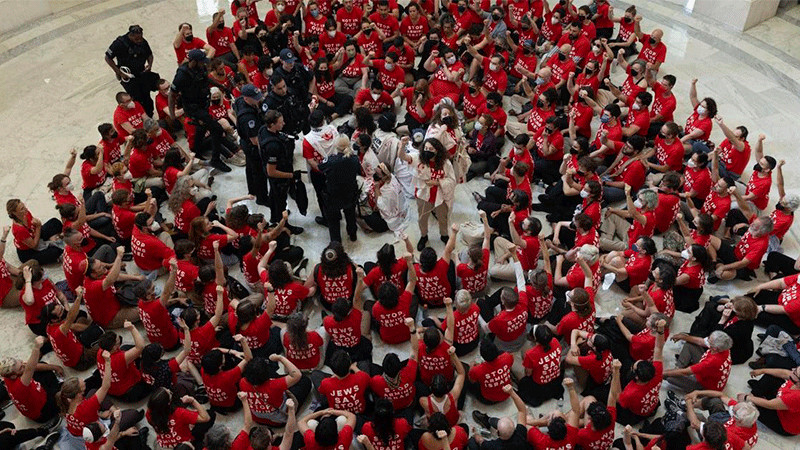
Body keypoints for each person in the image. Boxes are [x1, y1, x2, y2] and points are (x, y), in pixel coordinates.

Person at [170, 49, 233, 172]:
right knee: (217, 129)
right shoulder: (182, 75)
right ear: (193, 61)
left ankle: (195, 152)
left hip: (203, 103)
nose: (204, 64)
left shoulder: (201, 67)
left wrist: (221, 86)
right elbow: (172, 95)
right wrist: (173, 116)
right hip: (193, 108)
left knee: (201, 128)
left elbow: (206, 79)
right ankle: (215, 159)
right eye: (201, 62)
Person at [259, 110, 304, 234]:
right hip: (279, 176)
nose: (284, 123)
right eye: (280, 122)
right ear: (272, 124)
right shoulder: (272, 146)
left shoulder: (263, 130)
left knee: (273, 196)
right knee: (280, 201)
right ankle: (283, 225)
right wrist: (291, 175)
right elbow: (272, 172)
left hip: (272, 168)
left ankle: (274, 216)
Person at [0, 336, 62, 423]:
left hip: (33, 399)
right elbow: (30, 368)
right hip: (43, 413)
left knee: (43, 367)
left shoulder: (8, 376)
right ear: (14, 376)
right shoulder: (19, 386)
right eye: (21, 367)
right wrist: (36, 348)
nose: (23, 364)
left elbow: (30, 366)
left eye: (20, 362)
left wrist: (55, 367)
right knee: (67, 392)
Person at [240, 355, 312, 426]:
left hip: (257, 418)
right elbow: (297, 374)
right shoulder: (274, 385)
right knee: (305, 381)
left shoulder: (242, 382)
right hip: (278, 421)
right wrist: (280, 358)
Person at [105, 25, 160, 117]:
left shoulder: (142, 41)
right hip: (128, 76)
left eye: (140, 38)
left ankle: (149, 114)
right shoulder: (119, 43)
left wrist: (149, 65)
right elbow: (108, 58)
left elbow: (149, 54)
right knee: (136, 98)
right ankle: (140, 117)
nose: (139, 41)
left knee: (146, 96)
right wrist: (119, 73)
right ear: (131, 35)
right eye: (137, 39)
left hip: (141, 73)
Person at [96, 321, 150, 402]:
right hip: (129, 391)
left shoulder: (100, 351)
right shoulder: (120, 358)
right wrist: (132, 328)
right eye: (118, 341)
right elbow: (140, 347)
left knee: (125, 348)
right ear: (114, 347)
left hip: (112, 388)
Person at [664, 330, 732, 393]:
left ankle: (676, 371)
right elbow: (701, 341)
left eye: (709, 341)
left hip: (704, 386)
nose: (707, 339)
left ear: (714, 348)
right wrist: (683, 337)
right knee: (690, 344)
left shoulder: (712, 361)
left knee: (670, 377)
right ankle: (678, 367)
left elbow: (686, 372)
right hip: (709, 373)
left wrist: (662, 373)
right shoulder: (724, 348)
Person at [147, 386, 215, 448]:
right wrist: (192, 401)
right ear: (168, 403)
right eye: (169, 393)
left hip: (165, 443)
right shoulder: (179, 413)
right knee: (211, 414)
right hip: (184, 443)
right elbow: (206, 418)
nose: (168, 389)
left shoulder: (149, 413)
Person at [470, 385, 529, 450]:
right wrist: (512, 392)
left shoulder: (493, 446)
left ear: (497, 433)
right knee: (496, 422)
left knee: (472, 442)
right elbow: (522, 411)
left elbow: (480, 440)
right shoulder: (520, 434)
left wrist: (475, 434)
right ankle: (488, 422)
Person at [7, 199, 63, 265]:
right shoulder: (19, 229)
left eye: (24, 206)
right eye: (22, 209)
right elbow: (34, 245)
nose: (26, 209)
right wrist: (38, 227)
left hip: (34, 235)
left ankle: (52, 240)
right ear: (15, 213)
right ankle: (52, 241)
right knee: (55, 252)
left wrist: (38, 227)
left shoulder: (26, 213)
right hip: (28, 252)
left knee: (54, 222)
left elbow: (34, 225)